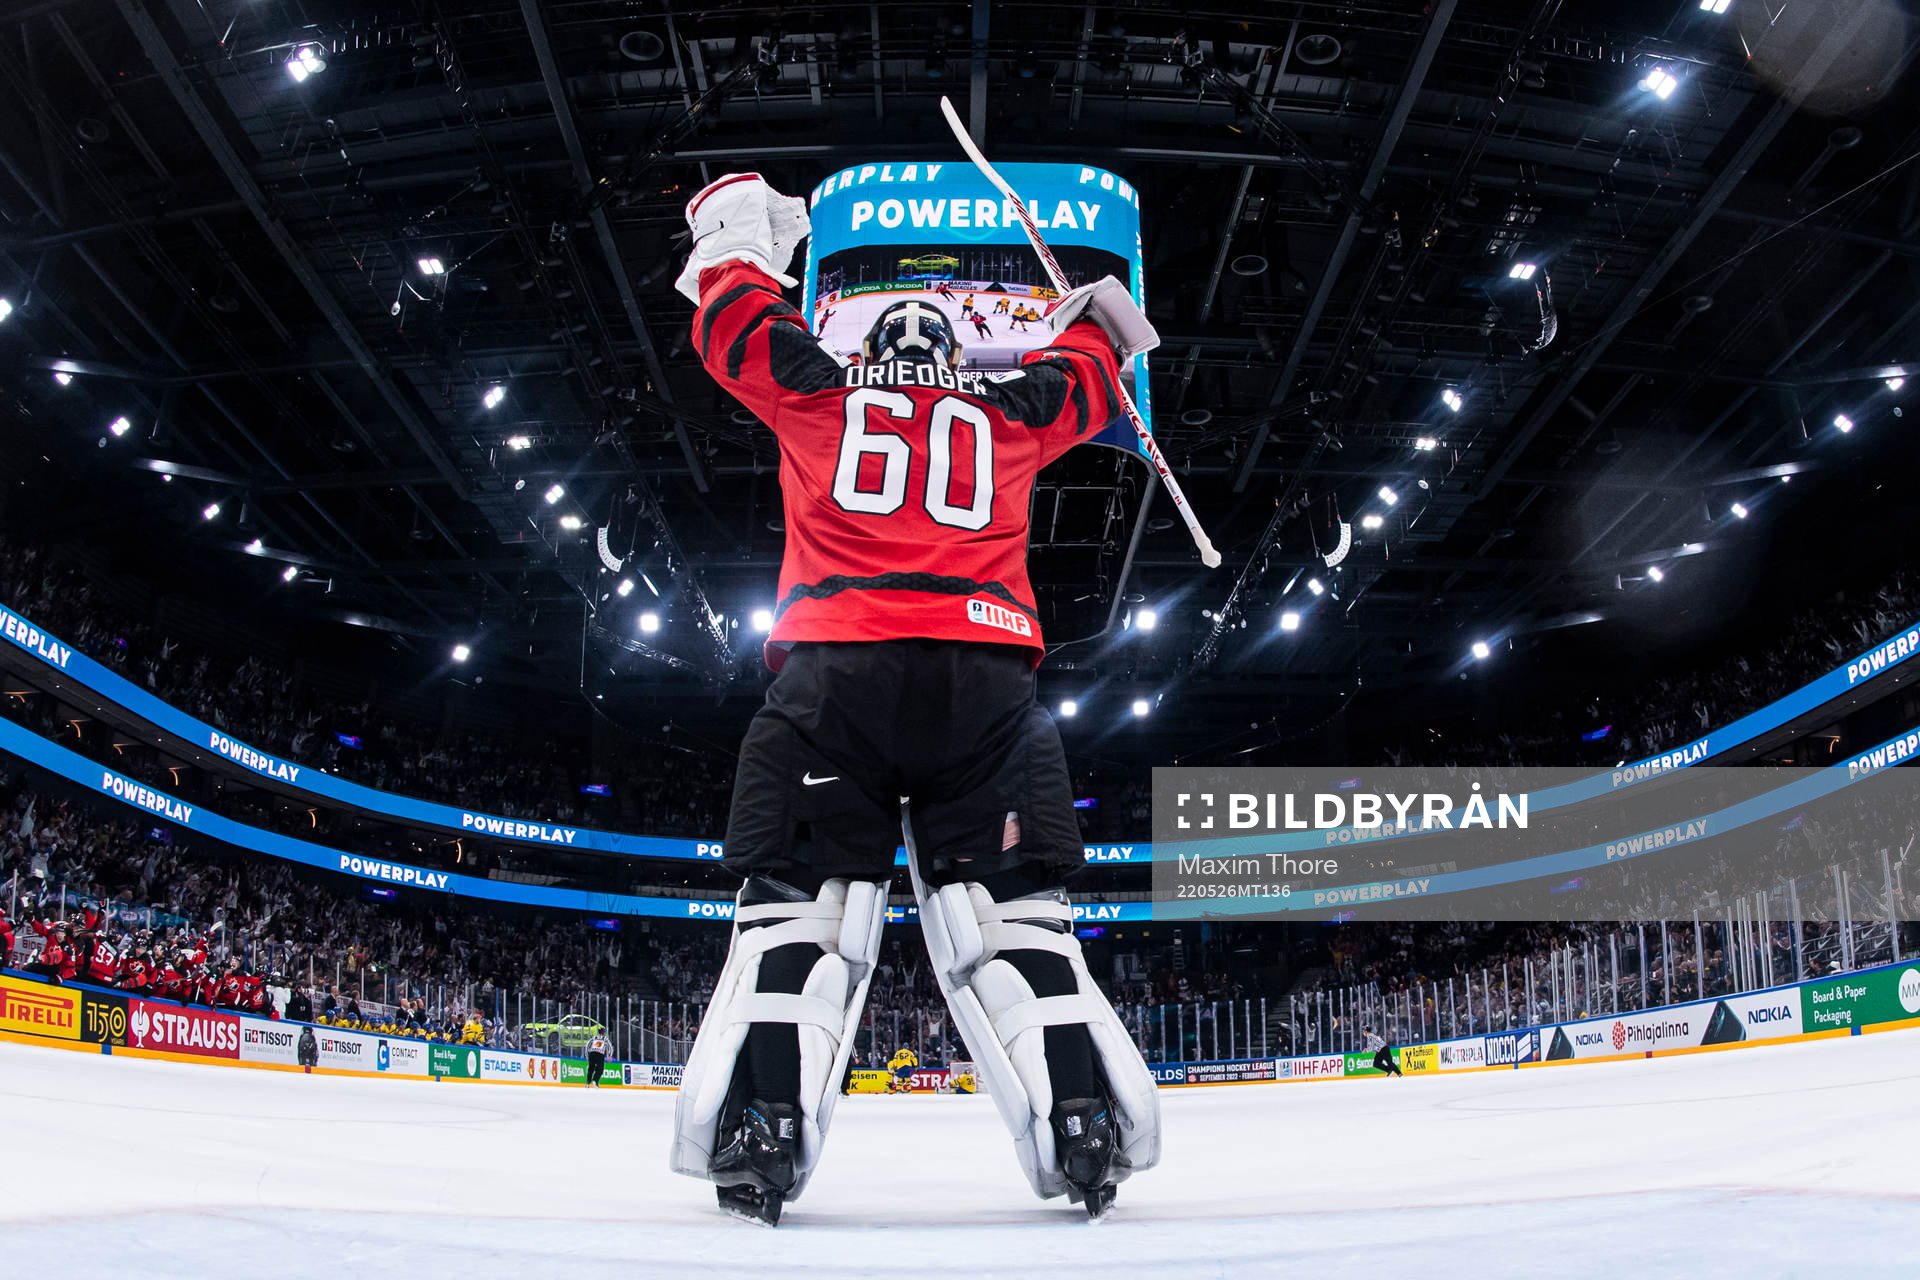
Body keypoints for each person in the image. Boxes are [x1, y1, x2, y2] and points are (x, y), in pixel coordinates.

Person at [667, 172, 1162, 1225]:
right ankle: (1082, 1119)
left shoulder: (823, 393)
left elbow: (733, 325)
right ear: (947, 356)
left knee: (801, 921)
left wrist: (740, 225)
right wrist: (1096, 307)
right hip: (983, 695)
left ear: (872, 350)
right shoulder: (1011, 418)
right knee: (1016, 922)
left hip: (832, 684)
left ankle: (763, 1132)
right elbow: (1101, 366)